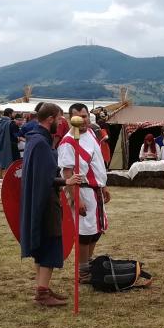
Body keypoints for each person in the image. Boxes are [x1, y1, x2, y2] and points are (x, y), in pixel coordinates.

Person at [20, 103, 68, 307]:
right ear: (50, 119)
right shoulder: (40, 143)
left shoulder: (36, 140)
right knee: (50, 244)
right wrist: (66, 181)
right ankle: (42, 293)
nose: (61, 122)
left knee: (44, 245)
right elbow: (44, 179)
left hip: (42, 199)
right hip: (46, 202)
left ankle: (44, 287)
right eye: (60, 118)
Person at [58, 103, 110, 284]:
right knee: (84, 233)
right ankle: (83, 272)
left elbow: (97, 164)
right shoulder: (68, 141)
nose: (83, 119)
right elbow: (67, 172)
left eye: (85, 116)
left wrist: (103, 185)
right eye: (79, 116)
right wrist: (76, 197)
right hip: (83, 190)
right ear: (70, 118)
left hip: (95, 190)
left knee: (96, 231)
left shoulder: (91, 135)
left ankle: (88, 265)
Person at [0, 108, 19, 173]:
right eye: (13, 113)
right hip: (9, 146)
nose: (14, 114)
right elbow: (16, 136)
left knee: (1, 164)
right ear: (10, 114)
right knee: (13, 164)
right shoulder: (11, 123)